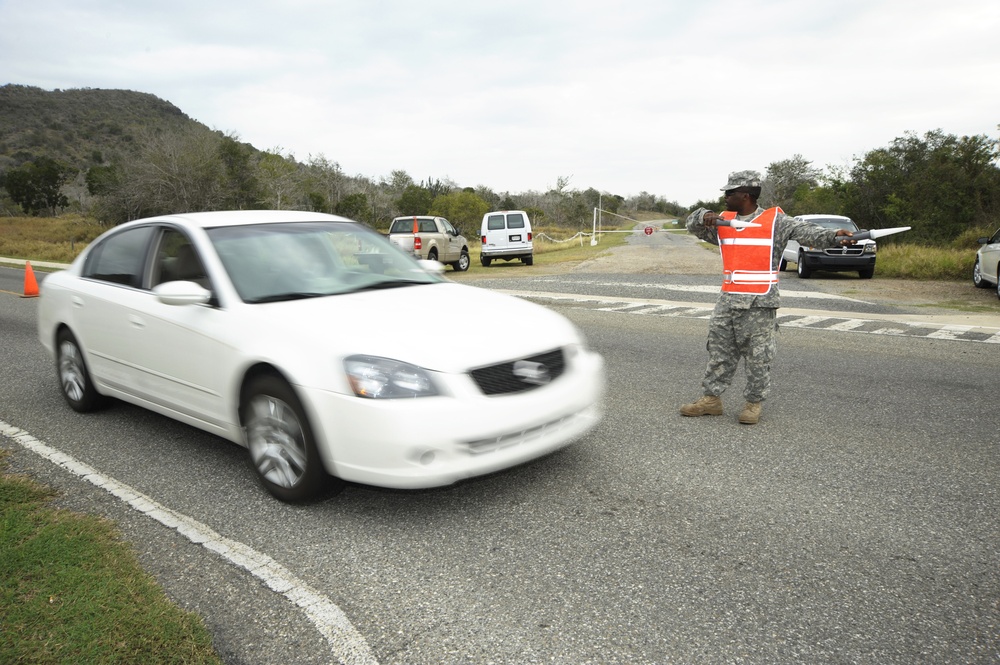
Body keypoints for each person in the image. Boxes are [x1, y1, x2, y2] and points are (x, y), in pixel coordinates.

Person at [680, 170, 856, 424]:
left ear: (746, 195)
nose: (726, 196)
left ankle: (753, 403)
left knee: (758, 356)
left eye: (731, 192)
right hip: (728, 300)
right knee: (719, 352)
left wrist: (834, 236)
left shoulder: (776, 222)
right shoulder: (723, 222)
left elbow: (807, 232)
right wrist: (703, 215)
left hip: (759, 303)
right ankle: (711, 400)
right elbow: (692, 224)